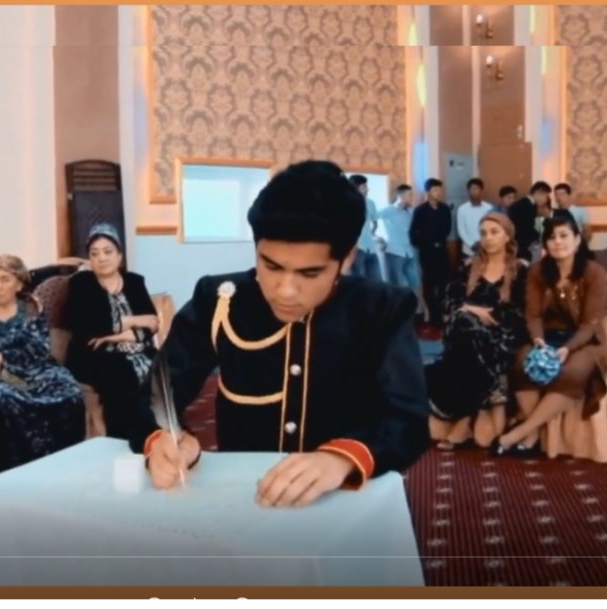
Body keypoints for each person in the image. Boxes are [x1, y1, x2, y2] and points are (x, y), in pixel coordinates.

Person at [130, 160, 430, 508]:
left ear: (347, 258)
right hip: (244, 500)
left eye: (309, 273)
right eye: (270, 266)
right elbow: (153, 395)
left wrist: (342, 458)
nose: (285, 290)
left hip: (344, 501)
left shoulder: (379, 309)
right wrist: (161, 438)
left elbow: (407, 418)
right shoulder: (220, 300)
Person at [0, 255, 86, 475]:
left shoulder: (32, 306)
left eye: (5, 279)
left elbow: (39, 350)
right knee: (2, 398)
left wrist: (0, 357)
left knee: (69, 391)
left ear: (19, 284)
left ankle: (61, 468)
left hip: (29, 370)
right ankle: (12, 472)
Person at [490, 211, 607, 457]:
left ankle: (519, 433)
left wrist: (568, 348)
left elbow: (590, 323)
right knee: (522, 364)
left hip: (583, 340)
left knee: (571, 372)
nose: (558, 242)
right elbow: (532, 314)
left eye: (564, 235)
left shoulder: (593, 272)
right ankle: (532, 436)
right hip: (545, 337)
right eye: (551, 237)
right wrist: (538, 340)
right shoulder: (538, 271)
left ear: (577, 239)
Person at [427, 214, 528, 449]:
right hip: (469, 335)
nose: (488, 238)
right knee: (464, 326)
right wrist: (472, 310)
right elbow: (448, 301)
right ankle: (491, 394)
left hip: (503, 335)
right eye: (483, 233)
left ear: (507, 236)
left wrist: (480, 316)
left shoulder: (520, 270)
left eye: (494, 232)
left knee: (463, 334)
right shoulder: (469, 267)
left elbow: (522, 312)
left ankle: (464, 421)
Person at [65, 224, 160, 440]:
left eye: (108, 252)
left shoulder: (135, 282)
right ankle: (123, 439)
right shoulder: (81, 283)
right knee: (122, 375)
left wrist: (115, 335)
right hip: (94, 354)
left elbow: (153, 323)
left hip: (139, 349)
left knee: (162, 368)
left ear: (119, 255)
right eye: (94, 253)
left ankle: (160, 433)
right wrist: (135, 321)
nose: (102, 258)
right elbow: (89, 325)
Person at [410, 178, 452, 328]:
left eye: (440, 190)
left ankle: (442, 314)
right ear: (428, 192)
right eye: (435, 190)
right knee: (429, 284)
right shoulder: (420, 210)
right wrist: (425, 244)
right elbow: (413, 232)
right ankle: (433, 316)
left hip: (442, 250)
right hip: (427, 252)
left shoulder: (445, 209)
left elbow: (447, 228)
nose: (439, 193)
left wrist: (439, 241)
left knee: (444, 284)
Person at [379, 184, 421, 294]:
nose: (412, 197)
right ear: (401, 196)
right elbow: (372, 218)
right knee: (396, 285)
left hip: (409, 251)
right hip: (394, 252)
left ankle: (412, 304)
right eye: (410, 195)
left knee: (415, 282)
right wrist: (378, 237)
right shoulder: (388, 210)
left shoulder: (411, 212)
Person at [348, 174, 383, 282]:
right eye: (364, 187)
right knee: (359, 282)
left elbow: (375, 223)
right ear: (355, 188)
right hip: (357, 248)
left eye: (366, 186)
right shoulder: (347, 203)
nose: (367, 189)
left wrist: (373, 234)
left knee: (377, 281)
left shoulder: (370, 203)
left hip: (370, 248)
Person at [455, 178, 494, 263]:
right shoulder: (462, 209)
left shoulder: (489, 208)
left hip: (486, 247)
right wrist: (472, 245)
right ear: (468, 191)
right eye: (472, 189)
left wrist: (483, 243)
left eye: (477, 189)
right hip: (468, 249)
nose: (474, 192)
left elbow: (491, 227)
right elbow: (461, 230)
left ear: (481, 190)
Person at [501, 185, 537, 263]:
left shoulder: (518, 210)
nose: (511, 200)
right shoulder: (496, 212)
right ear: (502, 198)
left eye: (513, 197)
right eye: (508, 197)